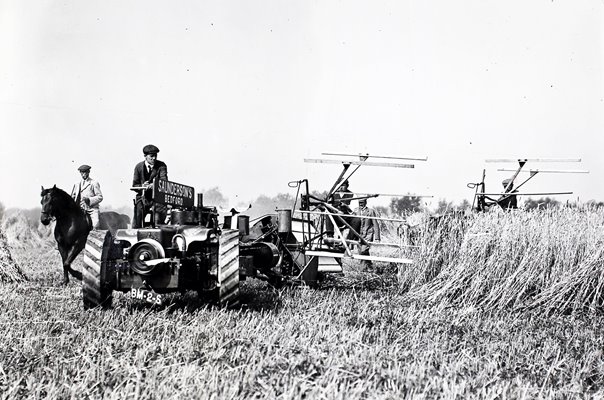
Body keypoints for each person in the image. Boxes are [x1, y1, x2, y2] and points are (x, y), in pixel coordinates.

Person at [132, 144, 168, 228]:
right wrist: (142, 186)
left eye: (155, 156)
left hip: (158, 198)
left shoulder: (161, 166)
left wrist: (154, 185)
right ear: (145, 156)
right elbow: (134, 184)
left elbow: (164, 181)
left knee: (159, 216)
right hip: (143, 197)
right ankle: (136, 230)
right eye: (151, 156)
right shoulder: (138, 167)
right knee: (138, 214)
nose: (154, 158)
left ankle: (158, 229)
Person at [70, 164, 103, 229]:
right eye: (82, 172)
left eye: (85, 172)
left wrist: (89, 200)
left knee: (95, 224)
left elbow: (100, 197)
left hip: (91, 209)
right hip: (79, 209)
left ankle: (95, 236)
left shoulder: (94, 183)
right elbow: (73, 196)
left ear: (88, 172)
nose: (83, 174)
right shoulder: (77, 184)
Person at [354, 198, 381, 270]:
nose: (361, 204)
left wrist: (377, 237)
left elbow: (375, 224)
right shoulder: (355, 211)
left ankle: (362, 270)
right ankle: (370, 267)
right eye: (359, 202)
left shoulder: (371, 211)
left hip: (368, 235)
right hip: (358, 234)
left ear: (365, 202)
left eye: (362, 202)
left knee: (363, 251)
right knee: (361, 252)